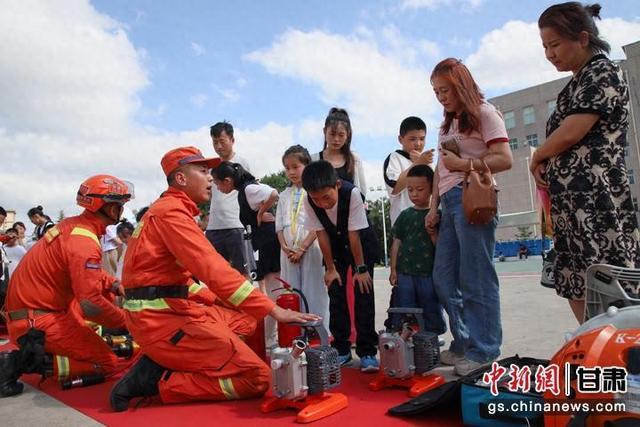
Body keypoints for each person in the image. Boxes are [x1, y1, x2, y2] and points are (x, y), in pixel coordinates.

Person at [110, 146, 318, 411]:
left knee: (246, 320)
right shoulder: (171, 215)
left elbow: (178, 282)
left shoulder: (169, 211)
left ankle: (174, 360)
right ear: (181, 179)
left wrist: (217, 301)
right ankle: (158, 381)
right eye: (202, 171)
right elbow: (214, 270)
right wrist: (274, 309)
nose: (210, 178)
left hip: (168, 313)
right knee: (258, 378)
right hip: (161, 322)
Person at [530, 2, 640, 323]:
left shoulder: (603, 72)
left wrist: (538, 155)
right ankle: (595, 350)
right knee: (575, 282)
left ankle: (624, 359)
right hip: (571, 208)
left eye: (554, 44)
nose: (549, 54)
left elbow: (573, 130)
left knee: (608, 283)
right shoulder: (574, 84)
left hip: (597, 202)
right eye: (545, 47)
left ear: (581, 38)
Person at [0, 175, 131, 397]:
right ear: (109, 208)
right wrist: (128, 322)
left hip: (33, 312)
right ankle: (20, 362)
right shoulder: (84, 242)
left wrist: (114, 283)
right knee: (107, 362)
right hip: (36, 322)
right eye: (120, 205)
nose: (122, 210)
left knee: (99, 316)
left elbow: (84, 274)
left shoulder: (73, 227)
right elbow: (90, 304)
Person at [428, 58, 513, 376]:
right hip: (448, 203)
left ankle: (485, 350)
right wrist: (433, 205)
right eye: (436, 92)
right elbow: (440, 166)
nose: (441, 97)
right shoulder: (447, 124)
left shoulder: (485, 112)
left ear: (461, 84)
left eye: (445, 90)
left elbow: (504, 158)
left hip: (473, 198)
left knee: (477, 277)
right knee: (445, 277)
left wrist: (465, 165)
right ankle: (465, 343)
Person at [301, 160, 379, 372]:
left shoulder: (351, 193)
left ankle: (368, 351)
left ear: (336, 185)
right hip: (334, 247)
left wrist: (360, 269)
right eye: (316, 199)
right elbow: (321, 233)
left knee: (363, 294)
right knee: (336, 294)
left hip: (361, 245)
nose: (322, 203)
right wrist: (330, 268)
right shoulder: (310, 199)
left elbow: (354, 235)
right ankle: (342, 350)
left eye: (326, 197)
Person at [212, 161, 281, 346]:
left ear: (227, 181)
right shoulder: (244, 191)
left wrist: (261, 213)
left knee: (274, 290)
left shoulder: (249, 189)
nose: (217, 188)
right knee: (266, 288)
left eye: (218, 184)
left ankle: (272, 337)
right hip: (260, 241)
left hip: (268, 240)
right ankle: (269, 336)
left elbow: (274, 193)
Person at [276, 145, 329, 331]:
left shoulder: (314, 192)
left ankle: (317, 330)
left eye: (295, 166)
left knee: (313, 289)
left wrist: (303, 248)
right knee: (291, 290)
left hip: (311, 247)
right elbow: (279, 226)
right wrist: (284, 246)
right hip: (289, 252)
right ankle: (295, 333)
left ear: (306, 165)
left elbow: (318, 224)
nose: (291, 172)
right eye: (287, 168)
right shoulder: (283, 196)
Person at [389, 165, 446, 336]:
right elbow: (396, 243)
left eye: (419, 189)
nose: (414, 194)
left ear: (431, 190)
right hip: (405, 272)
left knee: (430, 303)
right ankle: (407, 335)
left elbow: (441, 247)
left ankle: (431, 336)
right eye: (410, 190)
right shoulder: (405, 215)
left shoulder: (438, 216)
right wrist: (393, 270)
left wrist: (433, 232)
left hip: (428, 272)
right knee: (406, 305)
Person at [205, 121, 252, 275]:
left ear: (232, 140)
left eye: (222, 141)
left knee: (241, 274)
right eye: (215, 142)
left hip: (235, 226)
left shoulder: (242, 163)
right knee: (216, 274)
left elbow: (252, 191)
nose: (218, 146)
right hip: (213, 229)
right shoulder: (211, 167)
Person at [384, 116, 434, 225]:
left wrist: (425, 164)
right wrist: (418, 163)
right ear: (400, 139)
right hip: (404, 225)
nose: (418, 143)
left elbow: (436, 188)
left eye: (422, 139)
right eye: (412, 139)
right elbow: (395, 187)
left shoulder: (427, 161)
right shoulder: (394, 158)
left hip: (428, 221)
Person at [312, 107, 367, 196]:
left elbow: (362, 191)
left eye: (341, 135)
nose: (336, 139)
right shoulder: (313, 160)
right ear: (324, 131)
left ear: (348, 135)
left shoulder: (355, 159)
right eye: (332, 134)